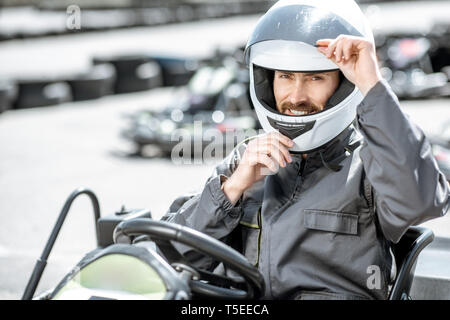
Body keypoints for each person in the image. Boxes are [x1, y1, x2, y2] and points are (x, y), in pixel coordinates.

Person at [161, 0, 449, 300]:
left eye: (315, 78)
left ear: (344, 84)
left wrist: (372, 85)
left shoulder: (369, 165)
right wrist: (232, 189)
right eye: (285, 77)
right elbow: (173, 256)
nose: (296, 96)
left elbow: (422, 199)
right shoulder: (246, 160)